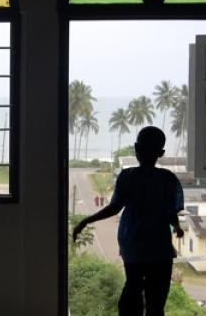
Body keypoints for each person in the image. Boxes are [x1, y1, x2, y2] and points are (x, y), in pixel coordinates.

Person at [73, 126, 185, 316]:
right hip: (159, 248)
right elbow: (170, 212)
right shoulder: (168, 179)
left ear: (136, 148)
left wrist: (86, 220)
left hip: (133, 245)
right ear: (162, 153)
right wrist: (177, 227)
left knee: (132, 288)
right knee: (156, 302)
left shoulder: (128, 176)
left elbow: (114, 207)